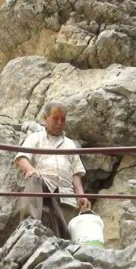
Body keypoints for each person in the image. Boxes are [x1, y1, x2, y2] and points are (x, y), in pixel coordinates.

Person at [15, 102, 89, 239]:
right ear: (45, 118)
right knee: (33, 178)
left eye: (63, 119)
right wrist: (31, 170)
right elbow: (22, 158)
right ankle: (29, 223)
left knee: (63, 238)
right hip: (44, 189)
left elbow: (76, 173)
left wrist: (80, 195)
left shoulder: (70, 144)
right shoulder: (35, 138)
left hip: (65, 195)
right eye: (55, 119)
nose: (59, 123)